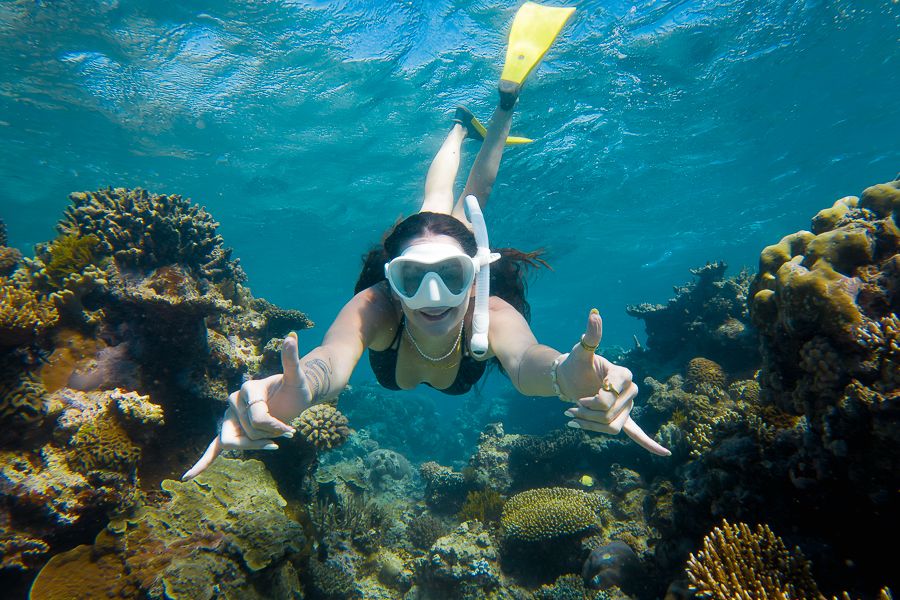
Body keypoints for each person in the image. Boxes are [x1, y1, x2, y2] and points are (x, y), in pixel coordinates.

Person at [183, 2, 669, 481]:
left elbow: (528, 362)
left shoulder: (490, 313)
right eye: (412, 278)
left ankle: (502, 107)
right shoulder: (377, 307)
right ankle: (460, 128)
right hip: (432, 238)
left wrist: (571, 376)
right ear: (392, 279)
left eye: (452, 275)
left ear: (474, 271)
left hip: (452, 244)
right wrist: (298, 388)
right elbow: (328, 362)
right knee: (443, 198)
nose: (433, 297)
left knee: (465, 196)